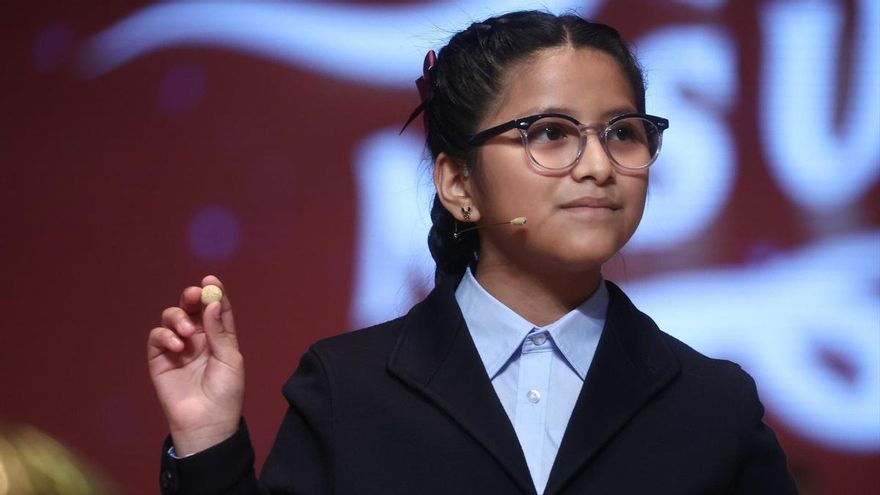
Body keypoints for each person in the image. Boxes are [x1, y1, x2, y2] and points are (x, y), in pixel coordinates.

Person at [148, 10, 798, 495]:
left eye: (623, 133)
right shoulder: (348, 389)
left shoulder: (715, 405)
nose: (599, 165)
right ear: (458, 184)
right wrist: (206, 440)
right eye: (550, 132)